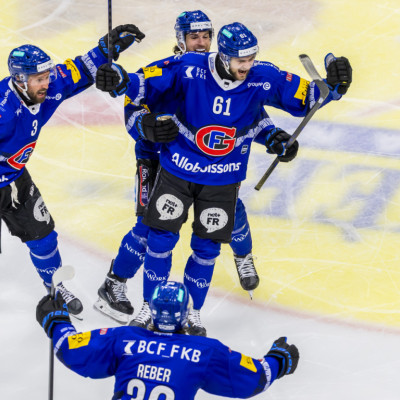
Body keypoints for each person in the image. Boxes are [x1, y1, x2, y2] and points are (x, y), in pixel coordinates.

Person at [96, 22, 352, 335]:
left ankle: (193, 312)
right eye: (241, 60)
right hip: (174, 169)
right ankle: (144, 303)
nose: (247, 66)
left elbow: (307, 98)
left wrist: (334, 85)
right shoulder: (186, 67)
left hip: (222, 179)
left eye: (251, 59)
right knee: (156, 237)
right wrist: (118, 79)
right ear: (223, 56)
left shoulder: (261, 76)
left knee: (207, 248)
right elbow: (138, 86)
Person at [94, 11, 260, 330]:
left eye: (206, 36)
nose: (201, 43)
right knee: (147, 228)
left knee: (232, 213)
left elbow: (249, 109)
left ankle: (243, 256)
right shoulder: (166, 69)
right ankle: (114, 283)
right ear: (180, 39)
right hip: (157, 161)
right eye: (194, 36)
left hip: (206, 165)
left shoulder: (221, 74)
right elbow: (133, 103)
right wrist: (145, 126)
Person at [0, 24, 145, 318]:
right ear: (19, 80)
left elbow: (80, 69)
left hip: (14, 178)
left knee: (43, 236)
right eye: (38, 79)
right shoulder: (3, 111)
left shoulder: (47, 87)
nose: (46, 83)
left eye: (46, 76)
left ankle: (56, 287)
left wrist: (107, 48)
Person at [36, 280, 299, 399]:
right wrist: (279, 359)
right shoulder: (205, 352)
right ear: (185, 315)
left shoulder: (124, 338)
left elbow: (71, 349)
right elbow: (254, 379)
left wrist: (56, 321)